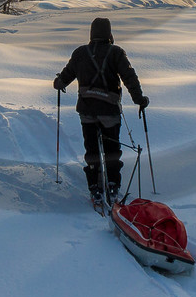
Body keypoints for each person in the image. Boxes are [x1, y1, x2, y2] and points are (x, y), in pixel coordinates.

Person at [54, 16, 148, 206]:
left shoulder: (80, 53)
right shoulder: (116, 53)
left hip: (87, 111)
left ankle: (94, 187)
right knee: (112, 150)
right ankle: (112, 185)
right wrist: (139, 100)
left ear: (91, 33)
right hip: (110, 112)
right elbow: (130, 77)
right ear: (109, 33)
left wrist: (58, 83)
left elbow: (64, 78)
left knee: (92, 149)